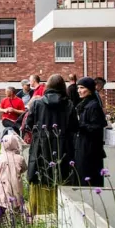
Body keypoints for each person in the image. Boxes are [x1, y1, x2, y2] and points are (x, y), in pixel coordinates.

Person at [21, 75, 77, 215]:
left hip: (41, 147)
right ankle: (60, 211)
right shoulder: (69, 104)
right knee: (60, 177)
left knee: (40, 177)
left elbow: (28, 124)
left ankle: (39, 211)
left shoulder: (37, 104)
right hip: (63, 147)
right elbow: (75, 127)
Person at [74, 77, 108, 188]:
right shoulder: (84, 104)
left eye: (82, 88)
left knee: (89, 179)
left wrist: (80, 125)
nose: (79, 90)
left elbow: (97, 127)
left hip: (90, 149)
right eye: (78, 88)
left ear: (89, 89)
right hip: (83, 146)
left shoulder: (93, 105)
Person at [0, 130, 26, 217]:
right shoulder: (20, 158)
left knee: (1, 204)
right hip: (16, 185)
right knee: (17, 203)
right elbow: (24, 168)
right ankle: (18, 221)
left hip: (2, 186)